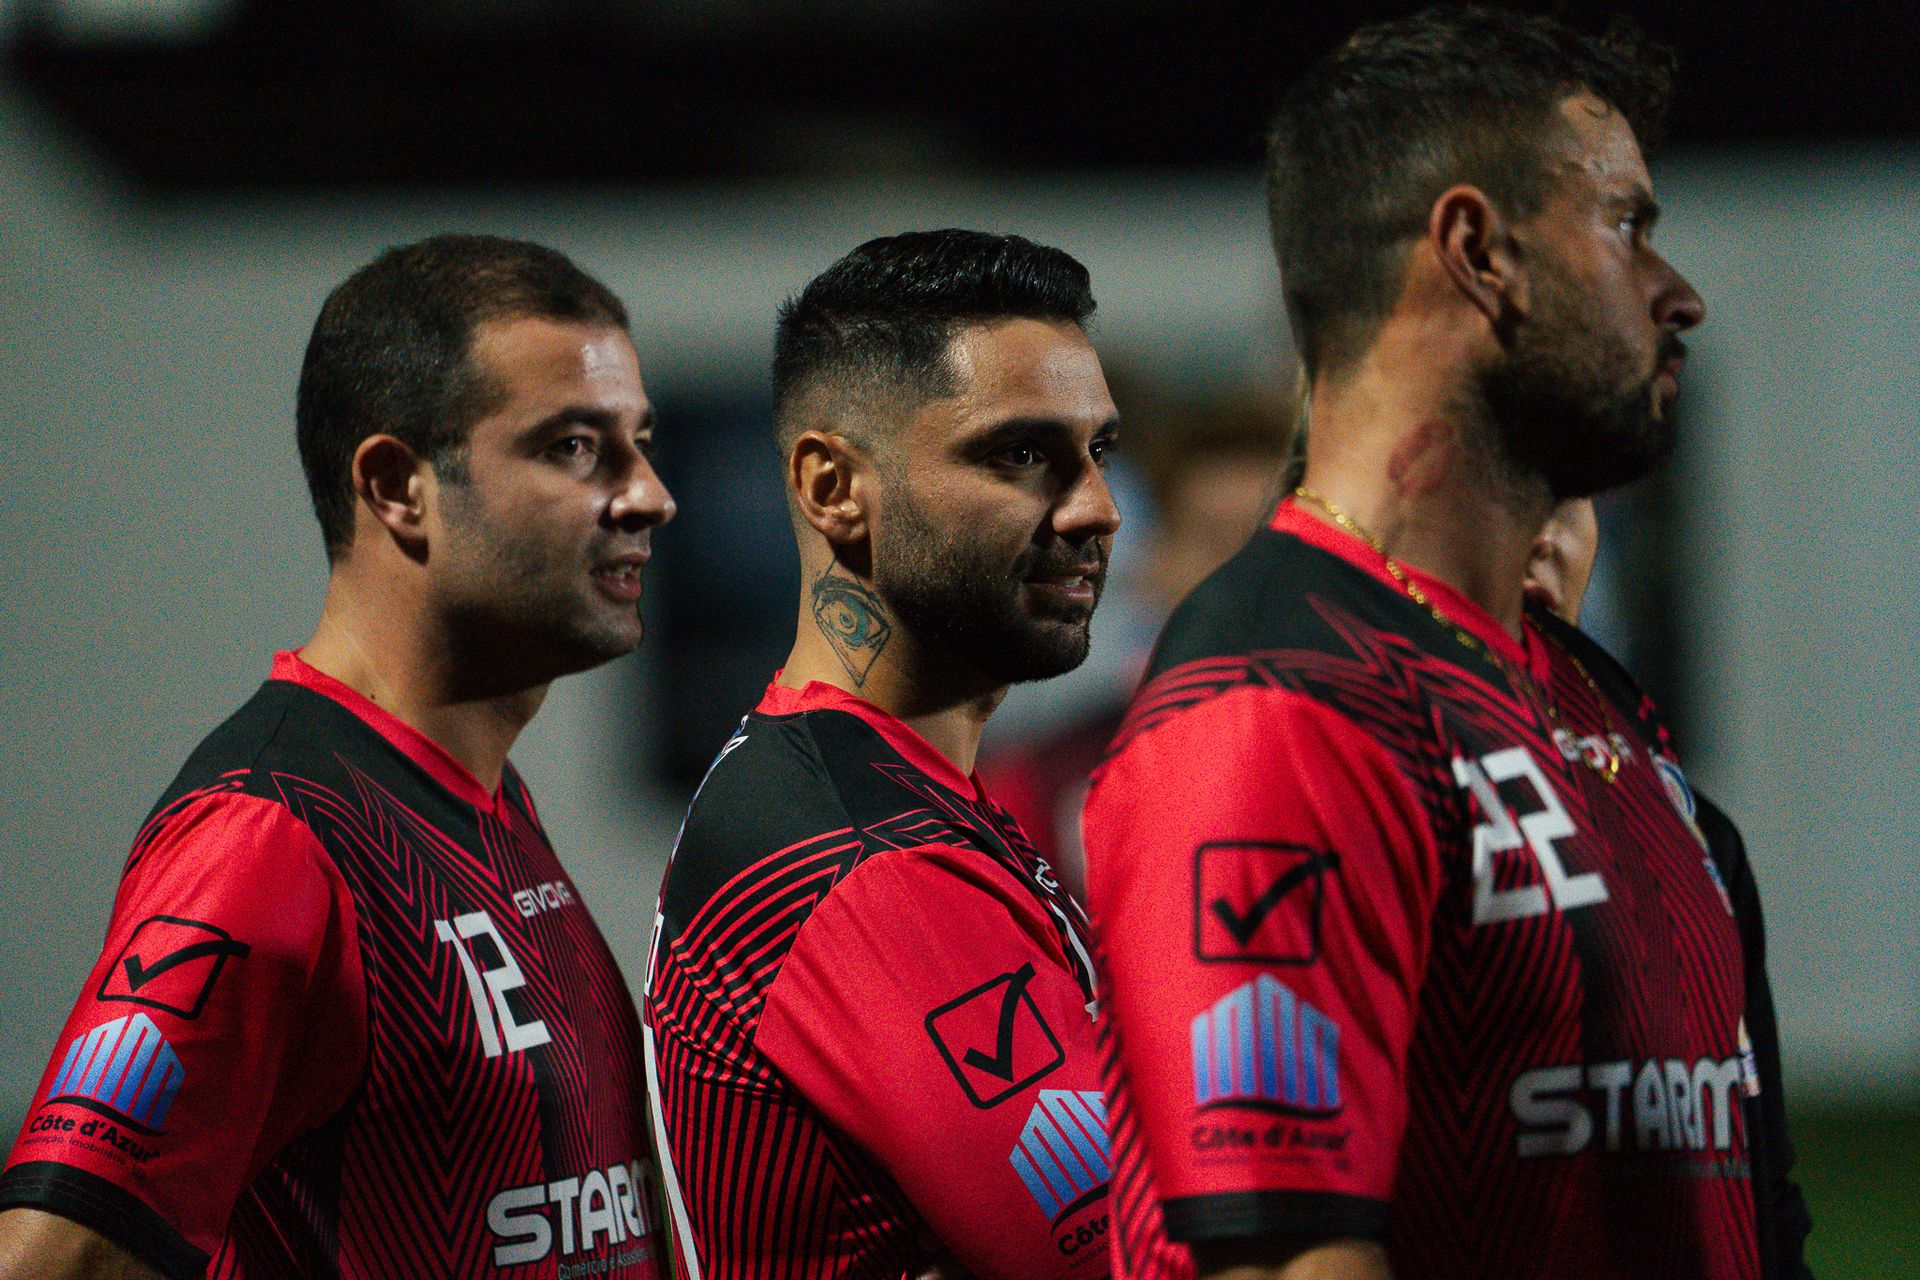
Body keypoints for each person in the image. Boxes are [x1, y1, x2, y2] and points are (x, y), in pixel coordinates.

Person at [1084, 9, 1805, 1280]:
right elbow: (1278, 1260)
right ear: (1478, 251)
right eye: (1626, 226)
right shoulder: (1279, 704)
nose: (1675, 291)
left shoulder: (1590, 700)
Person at [0, 234, 676, 1280]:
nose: (650, 495)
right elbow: (58, 1261)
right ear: (398, 484)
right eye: (577, 447)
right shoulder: (266, 835)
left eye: (639, 441)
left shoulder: (481, 801)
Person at [643, 230, 1119, 1280]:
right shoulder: (858, 853)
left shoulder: (882, 788)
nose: (1096, 508)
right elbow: (1123, 1252)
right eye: (1021, 454)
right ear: (832, 485)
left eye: (1097, 452)